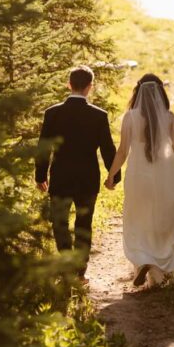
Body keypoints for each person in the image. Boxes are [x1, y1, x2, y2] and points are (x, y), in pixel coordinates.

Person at [105, 73, 174, 287]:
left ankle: (145, 260)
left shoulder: (130, 117)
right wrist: (166, 143)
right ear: (160, 93)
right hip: (164, 178)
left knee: (139, 218)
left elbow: (122, 152)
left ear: (137, 92)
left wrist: (111, 176)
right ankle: (159, 266)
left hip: (138, 178)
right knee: (164, 219)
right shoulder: (169, 117)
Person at [35, 65, 119, 281]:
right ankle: (80, 271)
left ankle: (66, 268)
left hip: (61, 176)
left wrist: (40, 175)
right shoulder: (99, 116)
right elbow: (107, 148)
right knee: (84, 224)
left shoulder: (52, 113)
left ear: (68, 84)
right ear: (90, 87)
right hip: (87, 177)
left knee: (60, 223)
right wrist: (114, 176)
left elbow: (44, 146)